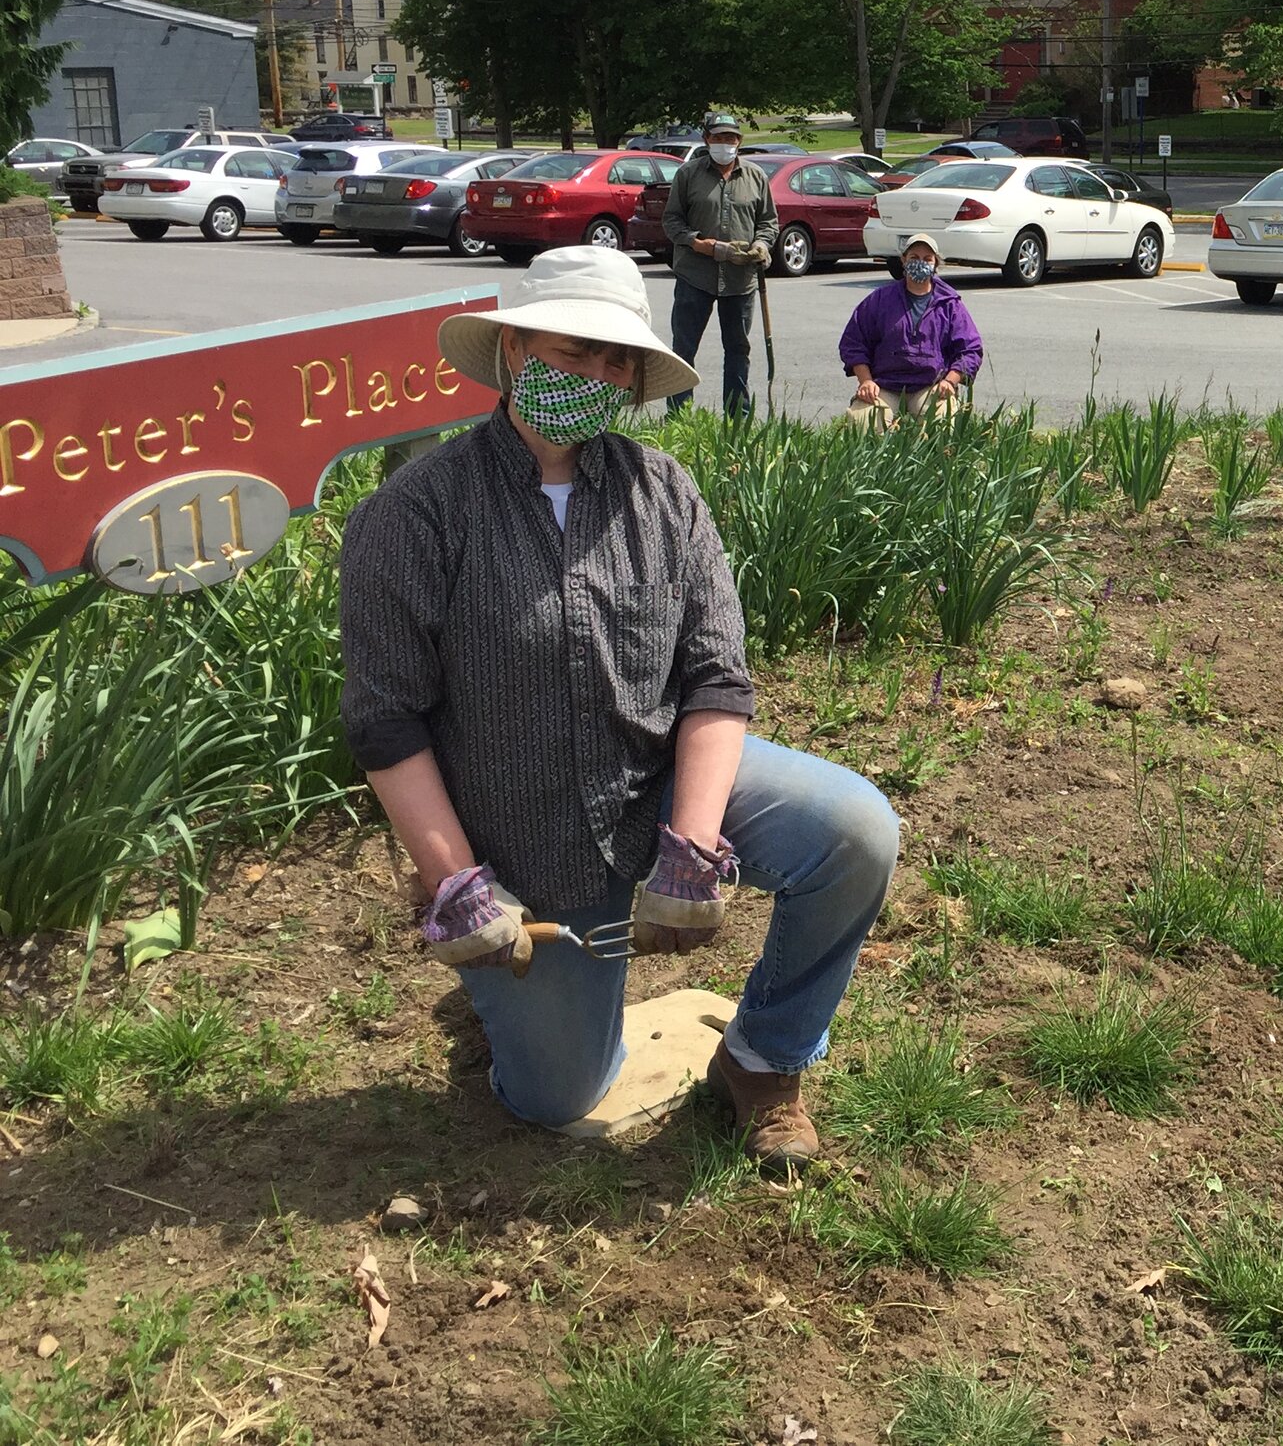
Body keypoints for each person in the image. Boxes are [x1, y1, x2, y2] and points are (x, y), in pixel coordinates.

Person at [339, 246, 900, 1162]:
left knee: (854, 831)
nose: (598, 375)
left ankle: (764, 1057)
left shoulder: (662, 493)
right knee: (556, 1096)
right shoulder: (417, 512)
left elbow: (717, 678)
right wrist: (452, 879)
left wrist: (688, 850)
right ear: (516, 350)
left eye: (616, 361)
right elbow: (385, 717)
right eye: (575, 351)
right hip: (523, 839)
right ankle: (507, 999)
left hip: (655, 781)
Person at [662, 112, 776, 417]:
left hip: (740, 280)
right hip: (694, 276)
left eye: (730, 138)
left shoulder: (755, 178)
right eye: (718, 138)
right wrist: (697, 242)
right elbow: (671, 220)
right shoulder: (688, 175)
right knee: (684, 351)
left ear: (739, 141)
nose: (724, 144)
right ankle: (679, 418)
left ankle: (737, 421)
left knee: (738, 350)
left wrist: (762, 245)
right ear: (706, 139)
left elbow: (768, 222)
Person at [839, 232, 984, 428]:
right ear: (903, 260)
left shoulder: (950, 304)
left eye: (927, 259)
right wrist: (865, 381)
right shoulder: (880, 300)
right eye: (914, 257)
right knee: (863, 422)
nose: (920, 263)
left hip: (930, 386)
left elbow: (970, 349)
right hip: (884, 385)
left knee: (942, 424)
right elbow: (854, 342)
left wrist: (950, 381)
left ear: (935, 264)